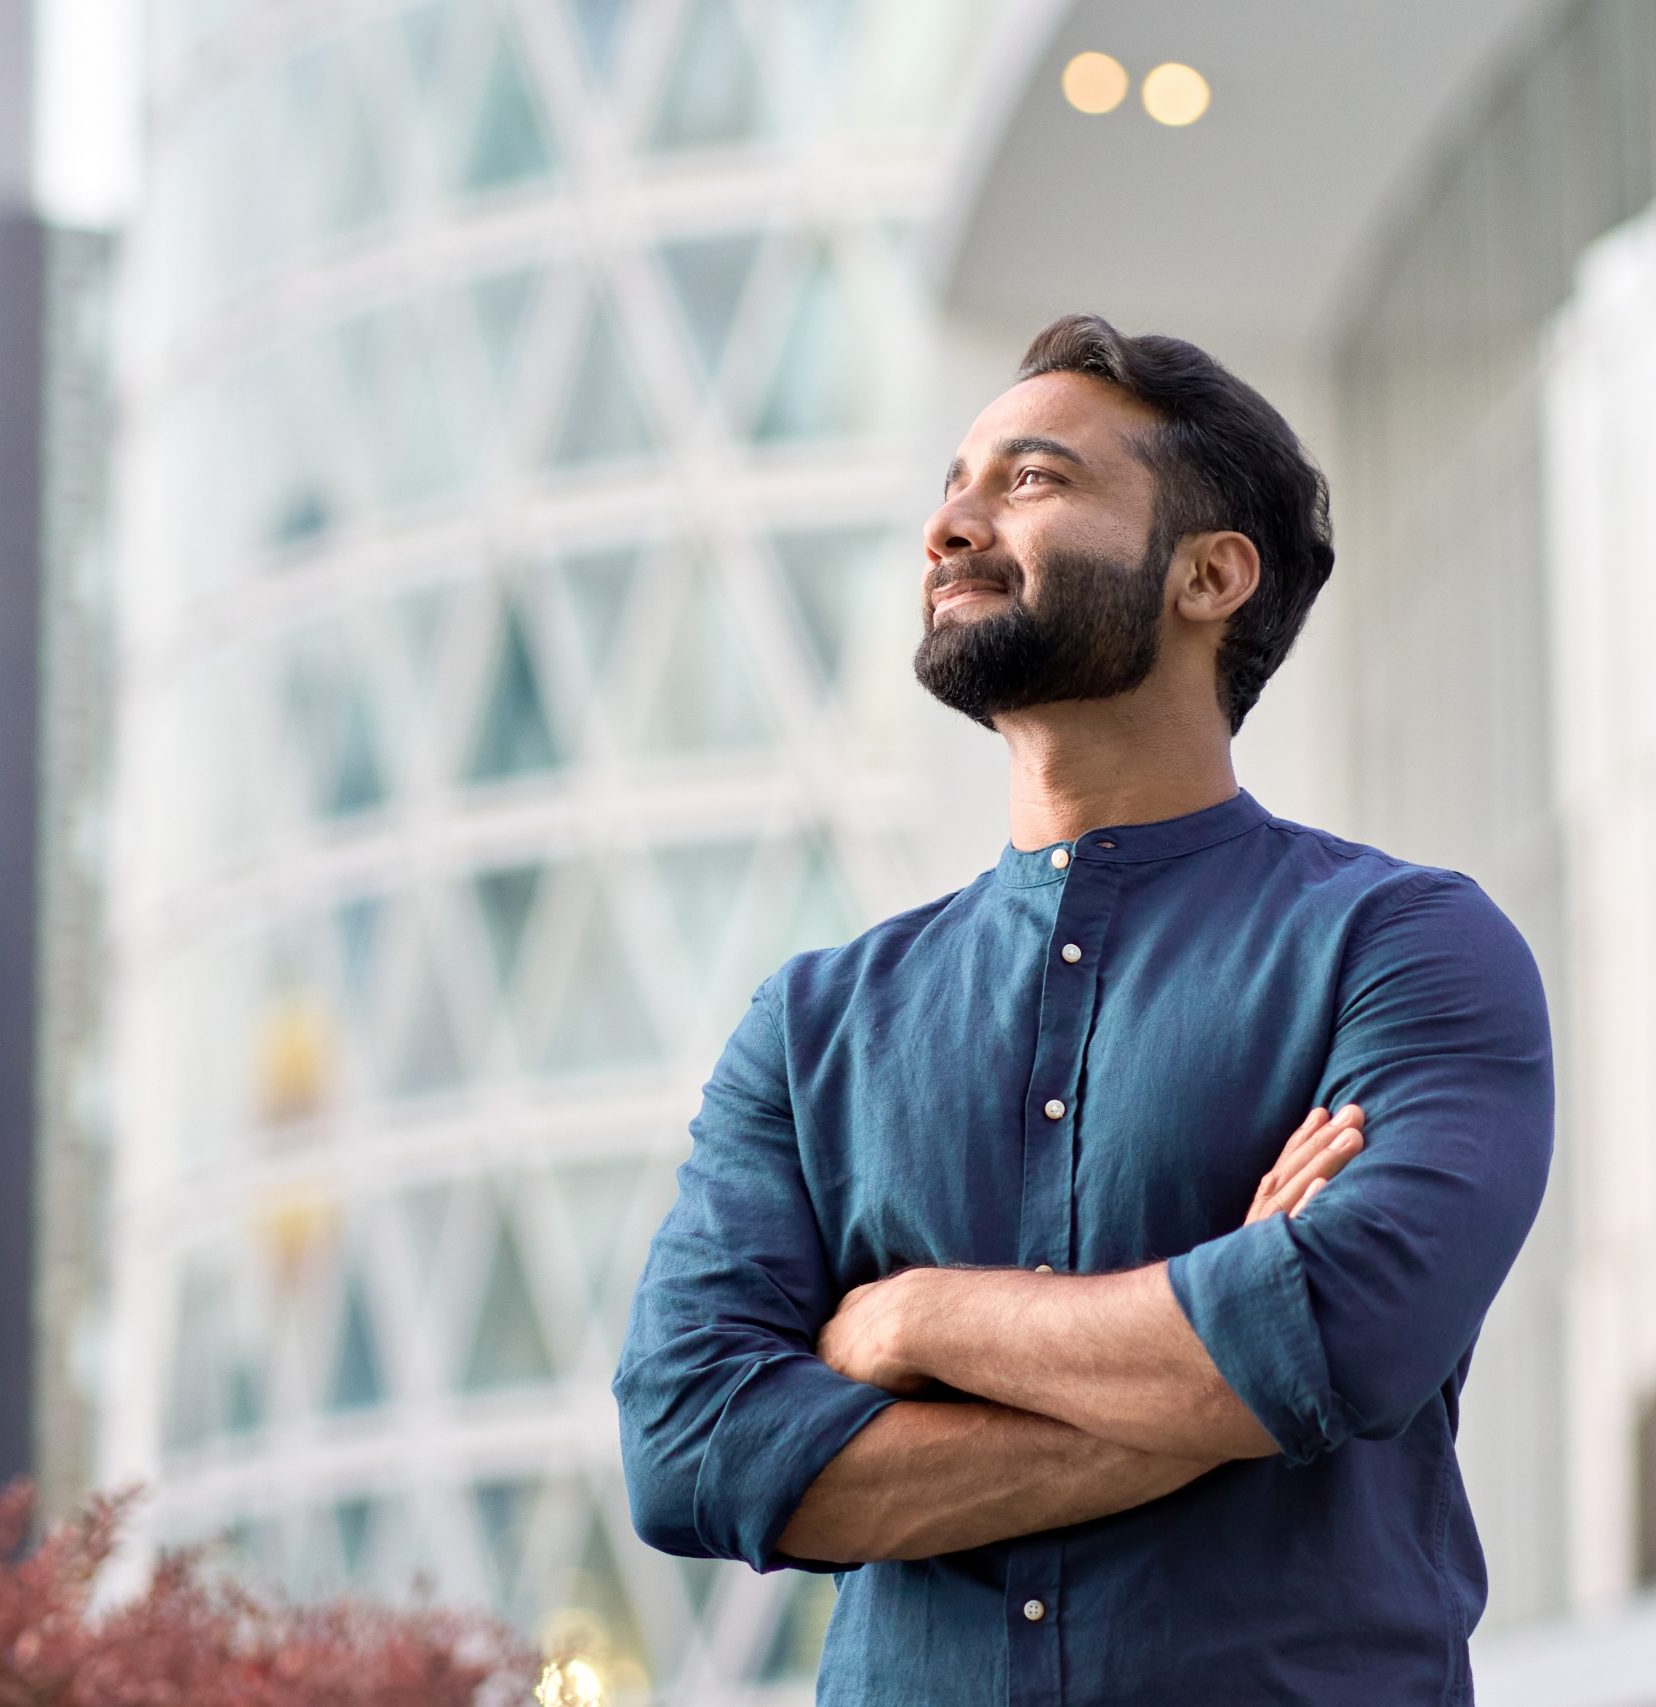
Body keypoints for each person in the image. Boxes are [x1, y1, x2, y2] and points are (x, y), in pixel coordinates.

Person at [611, 313, 1555, 1705]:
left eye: (1033, 481)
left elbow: (1349, 1332)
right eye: (955, 485)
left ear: (1210, 574)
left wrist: (918, 1321)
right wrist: (1212, 1364)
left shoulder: (1402, 947)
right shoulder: (812, 1027)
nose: (952, 526)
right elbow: (692, 1449)